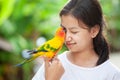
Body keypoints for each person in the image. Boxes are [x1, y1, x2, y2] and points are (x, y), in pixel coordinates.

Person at [32, 0, 120, 80]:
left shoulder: (111, 74)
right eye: (64, 30)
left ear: (94, 31)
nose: (67, 38)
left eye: (74, 32)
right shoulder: (53, 66)